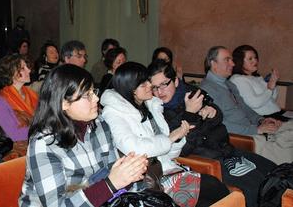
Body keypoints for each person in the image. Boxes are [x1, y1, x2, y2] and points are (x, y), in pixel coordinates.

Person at [149, 60, 276, 207]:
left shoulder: (191, 93)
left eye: (164, 84)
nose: (159, 92)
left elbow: (220, 116)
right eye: (154, 87)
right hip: (208, 159)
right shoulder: (157, 112)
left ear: (176, 81)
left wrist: (212, 113)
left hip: (226, 149)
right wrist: (191, 115)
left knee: (273, 172)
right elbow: (182, 149)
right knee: (256, 187)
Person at [101, 62, 229, 207]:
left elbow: (169, 152)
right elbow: (133, 148)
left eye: (148, 82)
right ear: (131, 90)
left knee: (217, 192)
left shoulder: (151, 106)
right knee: (215, 190)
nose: (150, 86)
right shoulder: (113, 113)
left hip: (168, 169)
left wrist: (178, 136)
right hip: (147, 182)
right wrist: (172, 137)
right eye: (144, 84)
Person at [19, 64, 148, 206]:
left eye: (94, 91)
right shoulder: (45, 143)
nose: (96, 99)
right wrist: (111, 184)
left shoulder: (100, 124)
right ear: (64, 103)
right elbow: (57, 205)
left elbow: (112, 174)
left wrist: (130, 172)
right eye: (87, 95)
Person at [200, 46, 293, 164]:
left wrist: (261, 120)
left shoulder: (229, 84)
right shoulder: (206, 90)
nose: (233, 64)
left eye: (232, 60)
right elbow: (219, 125)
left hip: (254, 129)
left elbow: (245, 108)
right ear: (213, 64)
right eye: (227, 60)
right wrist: (256, 129)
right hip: (245, 138)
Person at [230, 45, 286, 119]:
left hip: (277, 113)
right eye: (250, 59)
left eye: (255, 58)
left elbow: (272, 99)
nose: (255, 61)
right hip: (263, 118)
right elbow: (255, 103)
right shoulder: (238, 79)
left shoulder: (257, 77)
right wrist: (269, 89)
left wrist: (273, 83)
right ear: (240, 62)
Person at [0, 54, 38, 142]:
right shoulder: (0, 101)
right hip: (20, 147)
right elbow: (15, 135)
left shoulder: (32, 94)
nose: (29, 70)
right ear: (11, 73)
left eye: (27, 67)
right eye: (23, 68)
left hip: (39, 140)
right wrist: (44, 129)